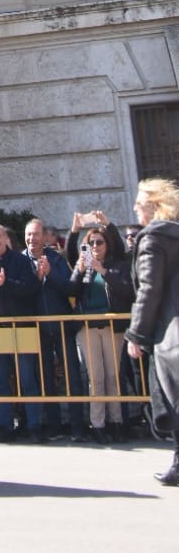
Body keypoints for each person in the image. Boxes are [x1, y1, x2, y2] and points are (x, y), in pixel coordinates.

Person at [126, 177, 179, 485]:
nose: (135, 209)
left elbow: (149, 289)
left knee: (172, 398)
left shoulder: (153, 239)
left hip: (169, 332)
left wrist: (136, 334)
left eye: (139, 204)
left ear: (154, 206)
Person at [0, 221, 48, 443]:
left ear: (6, 238)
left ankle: (34, 425)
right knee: (0, 381)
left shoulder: (21, 261)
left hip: (21, 326)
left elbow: (32, 289)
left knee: (27, 379)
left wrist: (7, 284)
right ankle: (5, 425)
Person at [70, 220, 134, 441]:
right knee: (95, 378)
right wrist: (80, 270)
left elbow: (125, 290)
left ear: (107, 244)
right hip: (88, 328)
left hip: (112, 327)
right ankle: (98, 424)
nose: (95, 246)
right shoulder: (84, 267)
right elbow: (70, 290)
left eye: (99, 242)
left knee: (113, 376)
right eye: (91, 243)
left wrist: (102, 270)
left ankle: (117, 422)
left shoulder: (118, 265)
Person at [24, 216, 86, 440]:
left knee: (72, 376)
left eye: (36, 234)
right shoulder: (20, 260)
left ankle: (78, 425)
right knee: (45, 377)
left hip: (61, 326)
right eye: (28, 234)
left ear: (44, 237)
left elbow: (69, 287)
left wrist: (50, 274)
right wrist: (37, 278)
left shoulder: (56, 259)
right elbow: (21, 292)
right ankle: (53, 424)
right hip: (37, 328)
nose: (32, 238)